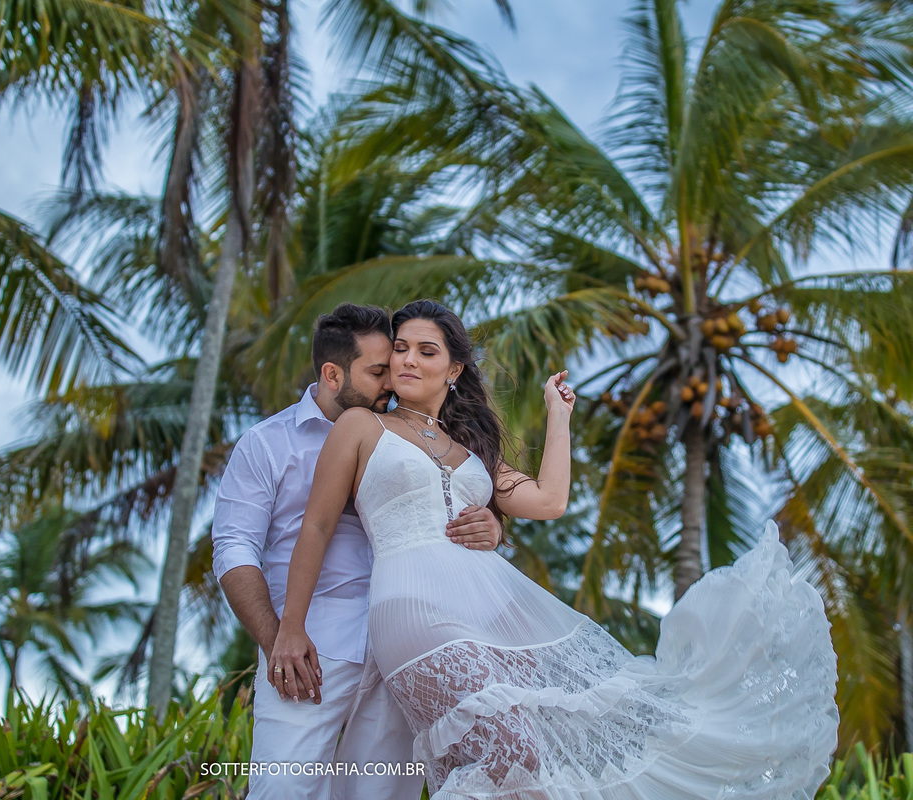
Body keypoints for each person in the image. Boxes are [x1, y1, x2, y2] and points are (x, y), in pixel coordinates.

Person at [271, 299, 839, 799]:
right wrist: (290, 626)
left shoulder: (470, 450)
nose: (407, 361)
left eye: (426, 351)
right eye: (400, 349)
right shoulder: (361, 426)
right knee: (512, 750)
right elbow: (316, 527)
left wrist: (558, 416)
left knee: (536, 758)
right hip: (413, 610)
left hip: (489, 608)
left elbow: (548, 500)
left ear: (455, 369)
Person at [211, 303, 505, 800]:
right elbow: (234, 548)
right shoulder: (266, 444)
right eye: (377, 371)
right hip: (311, 644)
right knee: (284, 789)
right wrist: (278, 638)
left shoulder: (408, 437)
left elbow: (443, 505)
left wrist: (489, 525)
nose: (393, 380)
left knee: (383, 792)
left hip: (400, 643)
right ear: (333, 375)